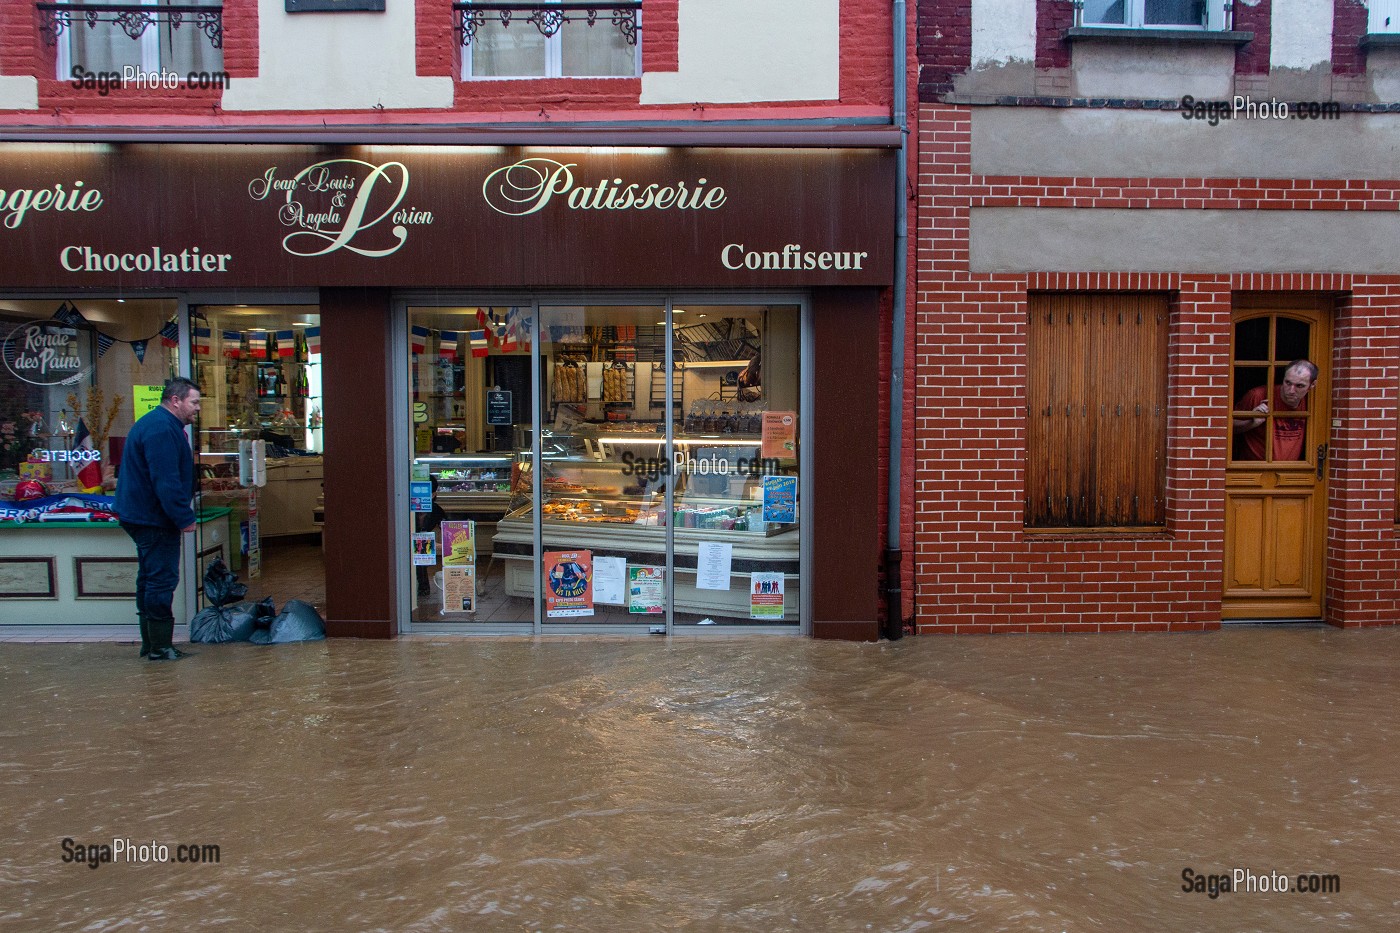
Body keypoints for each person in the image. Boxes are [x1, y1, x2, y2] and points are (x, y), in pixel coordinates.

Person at [115, 377, 201, 661]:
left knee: (150, 579)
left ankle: (151, 644)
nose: (197, 409)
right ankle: (160, 646)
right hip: (153, 518)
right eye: (194, 402)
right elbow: (165, 480)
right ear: (175, 400)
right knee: (161, 580)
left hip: (143, 514)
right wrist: (183, 517)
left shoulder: (157, 424)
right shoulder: (162, 428)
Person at [1233, 360, 1318, 461]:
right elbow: (1228, 429)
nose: (1291, 390)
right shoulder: (1257, 396)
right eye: (1288, 382)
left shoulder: (1313, 403)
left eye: (1299, 386)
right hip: (1254, 469)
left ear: (1312, 385)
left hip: (1292, 470)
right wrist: (1251, 422)